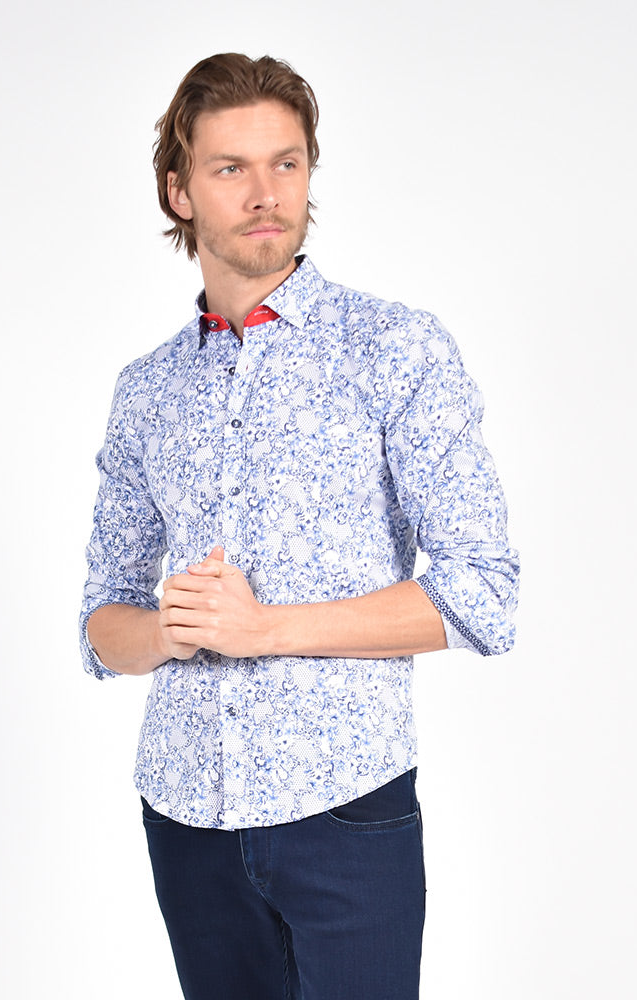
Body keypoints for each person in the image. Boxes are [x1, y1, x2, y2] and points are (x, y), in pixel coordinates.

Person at [80, 52, 519, 1000]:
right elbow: (100, 626)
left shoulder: (395, 349)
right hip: (186, 819)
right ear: (180, 191)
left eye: (287, 162)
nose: (266, 193)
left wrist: (262, 628)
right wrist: (170, 632)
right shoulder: (147, 391)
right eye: (231, 168)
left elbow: (483, 594)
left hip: (344, 809)